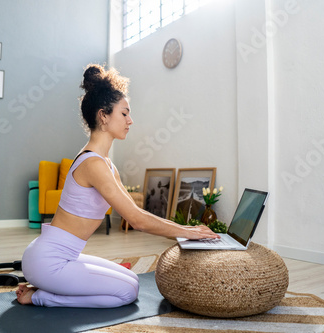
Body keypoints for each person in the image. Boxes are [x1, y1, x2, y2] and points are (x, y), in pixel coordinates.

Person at [16, 64, 219, 308]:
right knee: (127, 292)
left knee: (132, 279)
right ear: (103, 116)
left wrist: (185, 229)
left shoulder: (106, 165)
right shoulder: (93, 165)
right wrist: (188, 232)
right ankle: (39, 296)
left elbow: (137, 212)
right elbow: (138, 221)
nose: (130, 120)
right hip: (49, 260)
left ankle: (45, 284)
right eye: (124, 113)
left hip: (58, 257)